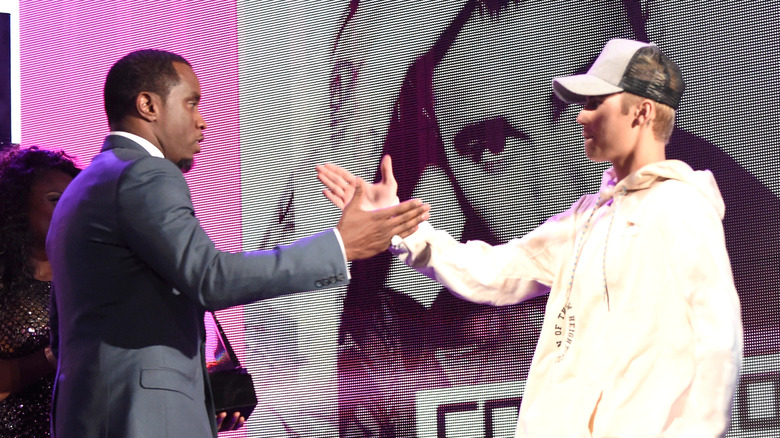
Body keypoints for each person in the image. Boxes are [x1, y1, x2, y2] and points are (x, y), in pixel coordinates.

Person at [319, 39, 743, 437]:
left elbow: (718, 340)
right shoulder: (587, 218)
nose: (581, 116)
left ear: (642, 112)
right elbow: (495, 272)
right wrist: (397, 225)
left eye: (595, 103)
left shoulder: (679, 205)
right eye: (483, 144)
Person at [45, 49, 429, 438]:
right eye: (191, 103)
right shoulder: (146, 173)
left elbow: (67, 333)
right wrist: (339, 247)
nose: (202, 121)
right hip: (144, 418)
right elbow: (210, 277)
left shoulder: (78, 191)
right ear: (148, 106)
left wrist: (199, 398)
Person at [0, 146, 79, 437]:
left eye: (75, 200)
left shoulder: (92, 280)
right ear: (18, 206)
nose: (69, 209)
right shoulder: (5, 281)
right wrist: (57, 354)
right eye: (55, 199)